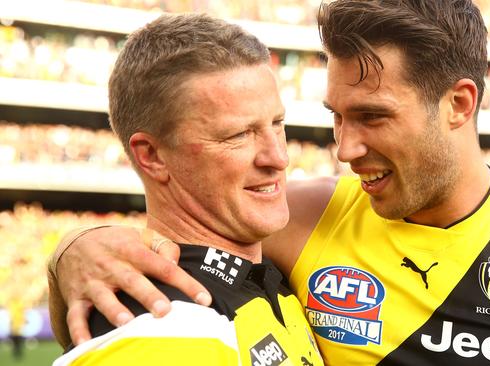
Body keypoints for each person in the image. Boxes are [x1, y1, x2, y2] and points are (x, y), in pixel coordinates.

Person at [48, 1, 490, 365]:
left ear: (459, 104)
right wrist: (73, 252)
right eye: (336, 115)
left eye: (372, 116)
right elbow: (174, 252)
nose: (343, 148)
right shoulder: (302, 219)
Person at [50, 13, 323, 366]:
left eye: (277, 123)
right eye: (238, 135)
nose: (279, 157)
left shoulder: (271, 278)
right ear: (152, 157)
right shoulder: (166, 325)